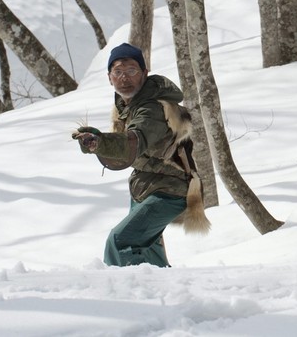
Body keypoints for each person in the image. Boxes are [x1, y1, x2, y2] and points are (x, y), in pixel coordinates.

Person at [73, 43, 209, 267]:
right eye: (118, 72)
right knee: (149, 254)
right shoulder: (125, 108)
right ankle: (169, 295)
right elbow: (122, 157)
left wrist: (101, 142)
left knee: (121, 242)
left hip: (169, 190)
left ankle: (124, 297)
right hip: (145, 188)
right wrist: (96, 144)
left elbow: (135, 141)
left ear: (144, 74)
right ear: (109, 77)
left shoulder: (152, 109)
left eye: (131, 71)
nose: (124, 77)